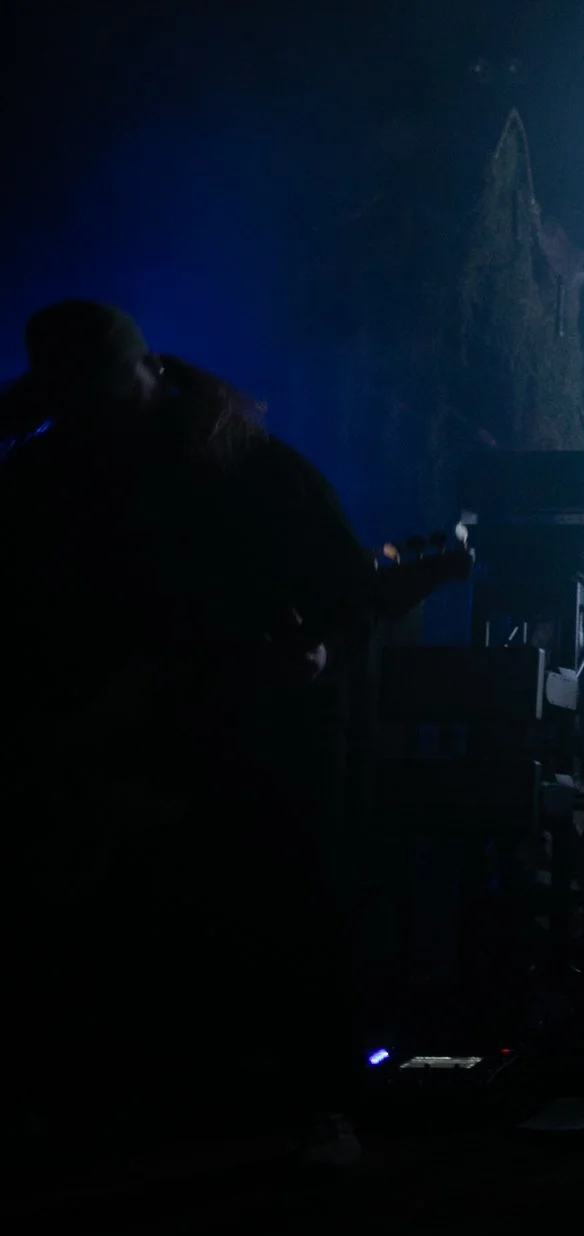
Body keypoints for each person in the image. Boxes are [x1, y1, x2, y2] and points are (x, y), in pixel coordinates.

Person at [0, 301, 415, 1166]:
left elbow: (351, 592)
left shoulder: (247, 464)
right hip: (110, 742)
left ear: (143, 370)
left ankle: (317, 1101)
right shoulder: (46, 470)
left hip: (243, 733)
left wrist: (322, 651)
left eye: (99, 393)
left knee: (289, 892)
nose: (87, 415)